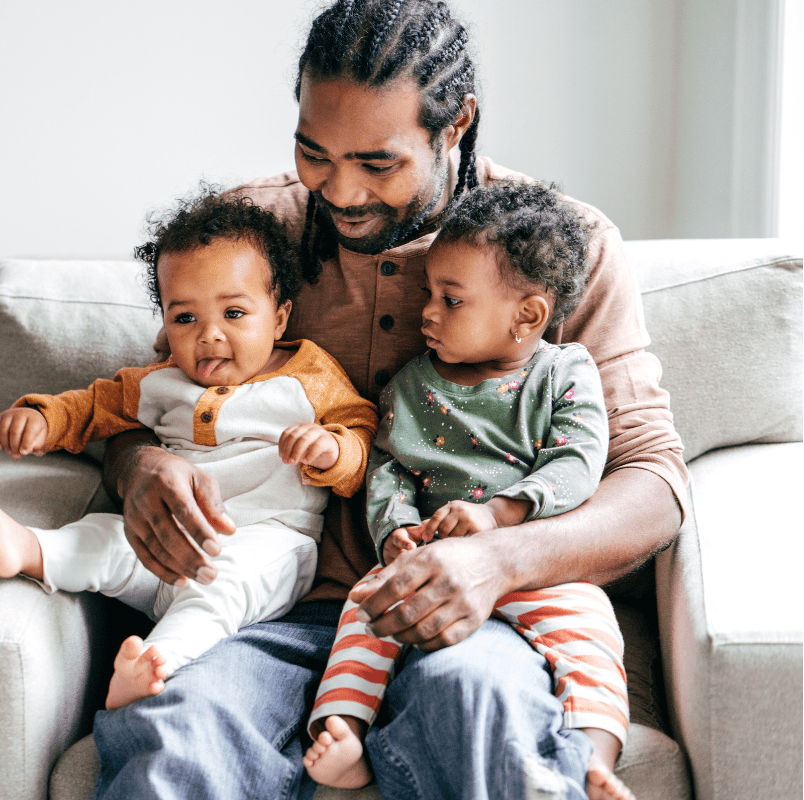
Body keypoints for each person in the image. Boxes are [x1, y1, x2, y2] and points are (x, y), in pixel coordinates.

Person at [94, 1, 687, 799]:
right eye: (314, 152)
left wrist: (496, 559)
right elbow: (143, 409)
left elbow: (654, 484)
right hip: (264, 605)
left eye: (377, 164)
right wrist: (141, 467)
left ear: (456, 126)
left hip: (478, 609)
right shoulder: (250, 234)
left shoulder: (555, 250)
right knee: (175, 741)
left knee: (482, 712)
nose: (340, 193)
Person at [0, 189, 378, 711]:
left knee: (222, 588)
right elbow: (91, 407)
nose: (209, 336)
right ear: (164, 322)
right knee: (104, 537)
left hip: (269, 545)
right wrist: (40, 417)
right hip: (162, 546)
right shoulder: (157, 382)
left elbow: (360, 429)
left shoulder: (309, 375)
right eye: (185, 318)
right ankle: (24, 549)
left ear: (278, 318)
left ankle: (157, 660)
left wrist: (330, 449)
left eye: (234, 313)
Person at [302, 180, 633, 800]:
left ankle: (590, 759)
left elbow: (578, 460)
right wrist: (394, 528)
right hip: (433, 564)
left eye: (450, 301)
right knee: (365, 608)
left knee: (589, 636)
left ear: (527, 316)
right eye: (429, 292)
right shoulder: (409, 387)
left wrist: (504, 514)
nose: (426, 312)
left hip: (539, 567)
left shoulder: (564, 373)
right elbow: (388, 468)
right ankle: (344, 729)